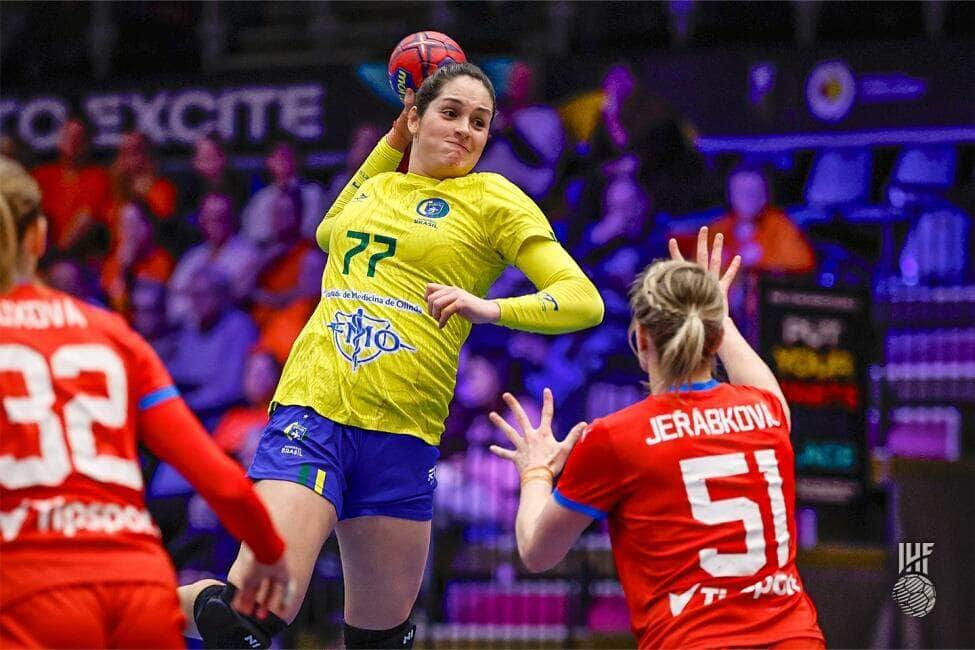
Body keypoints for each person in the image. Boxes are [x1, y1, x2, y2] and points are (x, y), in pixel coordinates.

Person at [178, 62, 604, 649]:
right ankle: (120, 603)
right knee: (249, 619)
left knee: (380, 641)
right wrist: (390, 143)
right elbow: (328, 233)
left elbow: (583, 301)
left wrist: (489, 309)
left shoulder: (496, 199)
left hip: (405, 433)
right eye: (450, 113)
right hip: (316, 410)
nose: (464, 130)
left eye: (479, 122)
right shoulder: (376, 185)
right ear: (415, 118)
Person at [0, 157, 291, 648]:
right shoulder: (115, 335)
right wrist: (269, 553)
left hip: (33, 592)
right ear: (39, 237)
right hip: (138, 586)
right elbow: (221, 479)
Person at [488, 227, 824, 649]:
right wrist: (719, 315)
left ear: (642, 340)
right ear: (714, 336)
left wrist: (536, 470)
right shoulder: (766, 413)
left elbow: (537, 552)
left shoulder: (616, 437)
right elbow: (771, 393)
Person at [707, 164, 816, 274]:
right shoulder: (717, 231)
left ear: (765, 195)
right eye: (740, 191)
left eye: (755, 191)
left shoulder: (782, 227)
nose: (748, 198)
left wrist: (761, 263)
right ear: (730, 196)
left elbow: (800, 266)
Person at [31, 118, 112, 259]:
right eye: (68, 136)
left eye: (79, 137)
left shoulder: (97, 177)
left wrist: (56, 255)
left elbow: (86, 218)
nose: (73, 142)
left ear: (88, 144)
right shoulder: (42, 175)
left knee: (63, 274)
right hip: (37, 254)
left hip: (76, 259)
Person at [240, 140, 327, 244]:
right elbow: (253, 234)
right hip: (268, 253)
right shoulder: (261, 198)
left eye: (287, 155)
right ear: (268, 161)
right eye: (277, 156)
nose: (282, 160)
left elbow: (314, 231)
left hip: (303, 253)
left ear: (298, 158)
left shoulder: (314, 193)